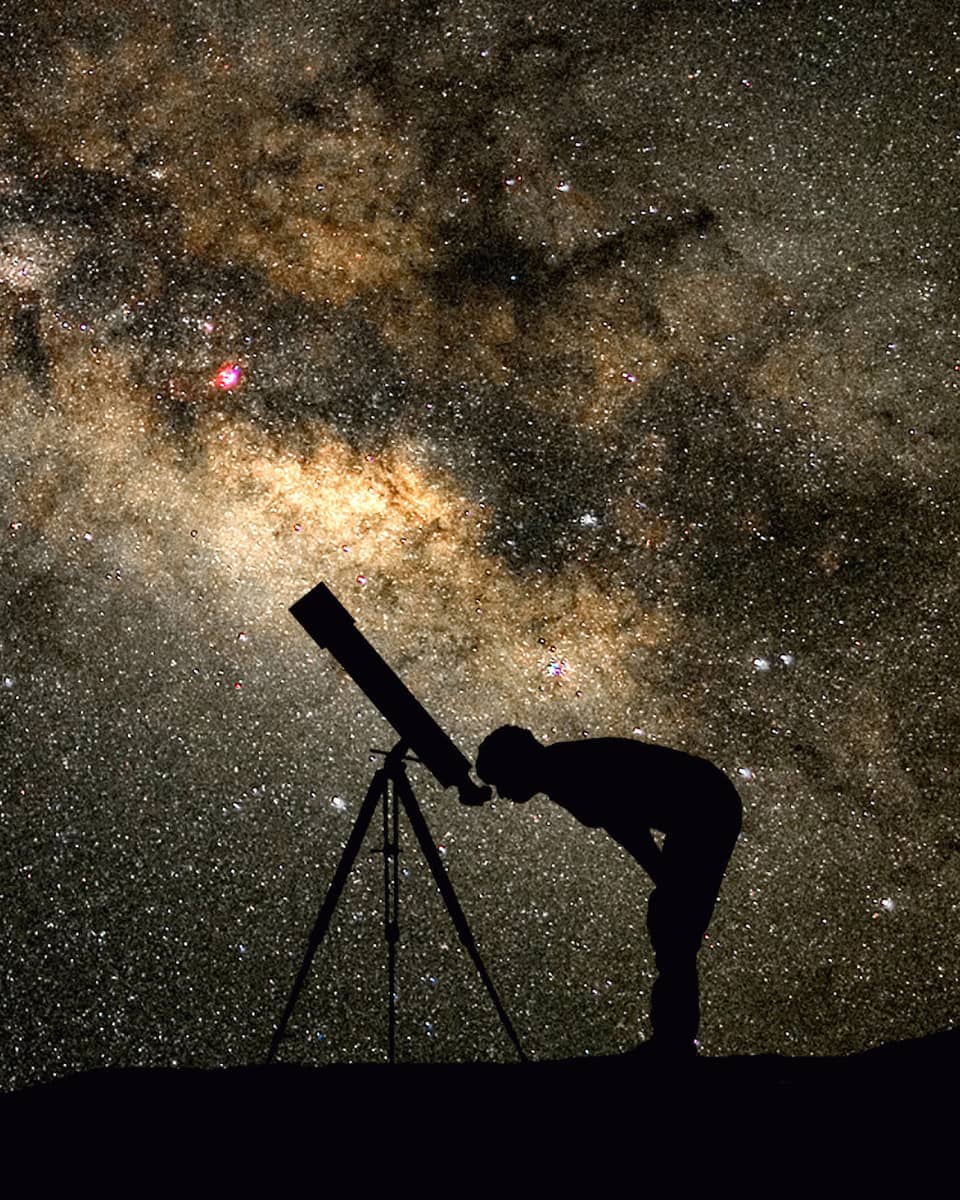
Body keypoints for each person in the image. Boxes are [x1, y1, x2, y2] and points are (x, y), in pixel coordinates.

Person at [474, 725, 742, 1060]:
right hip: (703, 802)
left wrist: (663, 877)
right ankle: (674, 1038)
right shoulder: (560, 767)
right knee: (673, 923)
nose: (501, 793)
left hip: (705, 807)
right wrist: (664, 878)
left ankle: (673, 1043)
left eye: (500, 780)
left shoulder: (566, 775)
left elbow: (625, 823)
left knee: (673, 927)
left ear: (516, 764)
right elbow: (626, 820)